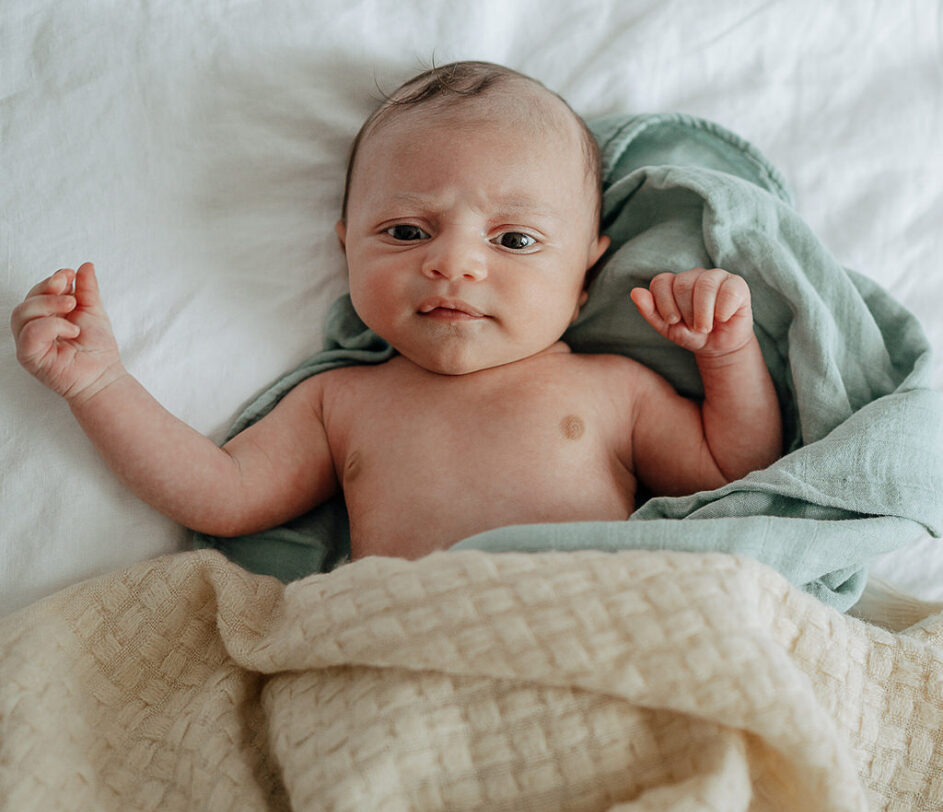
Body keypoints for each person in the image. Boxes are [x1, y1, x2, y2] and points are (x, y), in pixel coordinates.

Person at [10, 61, 783, 561]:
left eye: (513, 238)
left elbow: (735, 470)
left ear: (587, 273)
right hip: (407, 646)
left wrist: (725, 355)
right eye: (406, 231)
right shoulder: (340, 402)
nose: (453, 262)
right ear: (347, 251)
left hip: (584, 629)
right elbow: (223, 495)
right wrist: (99, 384)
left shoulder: (613, 389)